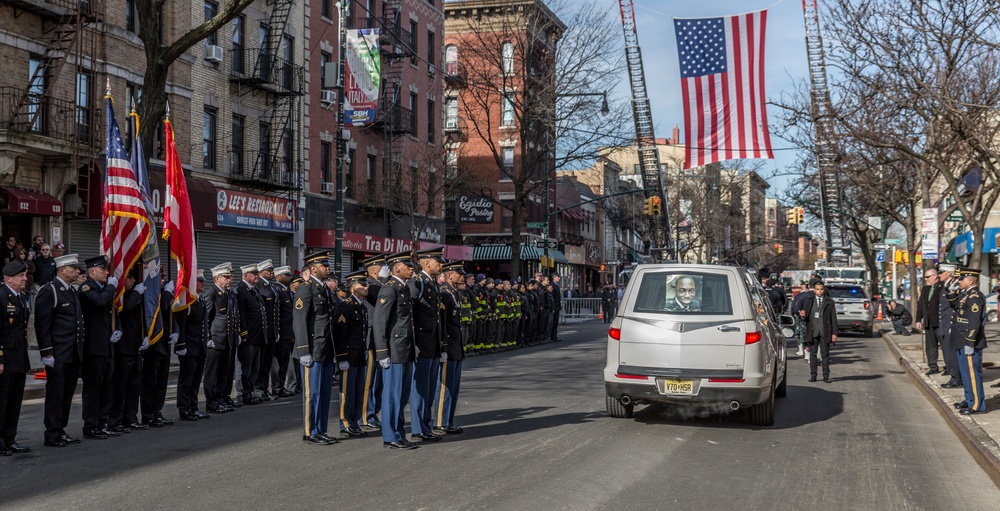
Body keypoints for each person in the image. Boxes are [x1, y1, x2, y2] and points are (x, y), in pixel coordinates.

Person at [35, 253, 84, 447]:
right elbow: (42, 324)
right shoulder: (50, 290)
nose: (77, 272)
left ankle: (60, 428)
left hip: (72, 352)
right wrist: (46, 352)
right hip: (57, 354)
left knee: (67, 394)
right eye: (74, 268)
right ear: (62, 270)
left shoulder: (71, 291)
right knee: (56, 394)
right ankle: (52, 432)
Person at [372, 251, 417, 450]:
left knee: (402, 395)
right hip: (394, 350)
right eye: (408, 266)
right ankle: (391, 435)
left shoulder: (403, 288)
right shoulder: (389, 289)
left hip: (405, 349)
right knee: (392, 395)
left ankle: (399, 432)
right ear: (396, 268)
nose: (412, 268)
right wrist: (382, 352)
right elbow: (380, 322)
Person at [293, 250, 339, 446]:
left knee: (325, 392)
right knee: (312, 393)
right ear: (313, 269)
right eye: (324, 265)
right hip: (312, 348)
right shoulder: (305, 289)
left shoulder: (325, 289)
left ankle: (321, 429)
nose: (327, 268)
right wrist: (303, 350)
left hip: (326, 348)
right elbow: (300, 321)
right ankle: (310, 431)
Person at [78, 256, 120, 439]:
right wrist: (112, 287)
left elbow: (112, 313)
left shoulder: (104, 289)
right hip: (93, 348)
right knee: (93, 390)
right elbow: (99, 302)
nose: (106, 273)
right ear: (92, 271)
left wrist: (119, 329)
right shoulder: (87, 288)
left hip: (107, 347)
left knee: (107, 388)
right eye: (103, 270)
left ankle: (103, 423)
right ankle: (91, 425)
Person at [408, 248, 444, 443]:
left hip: (432, 343)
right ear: (427, 263)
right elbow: (410, 314)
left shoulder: (431, 283)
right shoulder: (418, 283)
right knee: (420, 388)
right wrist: (412, 342)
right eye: (438, 261)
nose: (441, 265)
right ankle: (417, 427)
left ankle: (425, 425)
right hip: (422, 344)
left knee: (429, 388)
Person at [0, 260, 32, 455]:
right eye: (21, 276)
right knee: (2, 401)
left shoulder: (20, 297)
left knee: (14, 401)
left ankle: (10, 438)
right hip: (5, 359)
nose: (25, 279)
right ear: (9, 278)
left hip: (19, 357)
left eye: (25, 275)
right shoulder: (2, 296)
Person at [109, 268, 146, 433]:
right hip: (123, 347)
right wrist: (137, 294)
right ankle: (116, 419)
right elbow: (125, 309)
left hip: (136, 346)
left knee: (134, 386)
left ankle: (131, 417)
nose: (133, 282)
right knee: (120, 386)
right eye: (130, 278)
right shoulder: (121, 296)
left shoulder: (136, 294)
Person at [334, 271, 370, 438]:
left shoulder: (361, 306)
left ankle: (354, 420)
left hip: (359, 355)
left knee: (358, 390)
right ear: (354, 287)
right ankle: (346, 422)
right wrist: (341, 357)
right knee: (347, 391)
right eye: (363, 285)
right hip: (349, 355)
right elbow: (340, 332)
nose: (366, 287)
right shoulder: (345, 306)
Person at [434, 261, 466, 435]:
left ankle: (448, 420)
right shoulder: (445, 294)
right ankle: (440, 421)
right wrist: (443, 347)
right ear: (449, 275)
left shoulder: (454, 293)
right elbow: (443, 324)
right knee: (445, 386)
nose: (462, 276)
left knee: (453, 386)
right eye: (458, 273)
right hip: (449, 345)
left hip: (456, 346)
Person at [203, 263, 240, 414]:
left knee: (224, 372)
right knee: (213, 373)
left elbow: (233, 316)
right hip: (216, 340)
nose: (229, 280)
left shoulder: (229, 294)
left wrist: (236, 333)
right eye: (226, 277)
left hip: (228, 339)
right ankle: (212, 402)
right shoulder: (211, 294)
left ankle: (221, 398)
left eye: (229, 277)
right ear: (217, 278)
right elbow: (206, 319)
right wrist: (208, 338)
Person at [176, 270, 210, 421]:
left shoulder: (200, 300)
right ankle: (184, 409)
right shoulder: (186, 301)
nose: (203, 283)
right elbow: (181, 324)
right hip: (189, 347)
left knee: (196, 380)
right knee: (186, 380)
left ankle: (193, 406)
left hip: (199, 347)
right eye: (200, 281)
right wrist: (181, 344)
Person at [953, 268, 987, 415]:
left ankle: (977, 405)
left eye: (962, 279)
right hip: (961, 339)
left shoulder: (974, 297)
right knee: (966, 374)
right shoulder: (965, 295)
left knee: (973, 374)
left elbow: (974, 322)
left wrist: (970, 342)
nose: (959, 281)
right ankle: (969, 399)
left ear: (971, 280)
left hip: (969, 340)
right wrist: (951, 292)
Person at [360, 254, 386, 430]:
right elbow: (378, 298)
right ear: (375, 270)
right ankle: (366, 414)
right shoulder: (370, 285)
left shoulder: (380, 284)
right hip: (370, 338)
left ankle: (373, 411)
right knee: (369, 380)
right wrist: (383, 280)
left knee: (378, 381)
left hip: (378, 338)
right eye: (384, 267)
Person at [236, 263, 266, 406]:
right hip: (248, 336)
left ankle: (250, 391)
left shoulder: (253, 290)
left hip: (257, 335)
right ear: (245, 275)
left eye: (257, 274)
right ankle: (244, 393)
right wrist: (243, 333)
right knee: (246, 368)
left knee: (255, 367)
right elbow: (241, 314)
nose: (256, 276)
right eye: (254, 274)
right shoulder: (241, 290)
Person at [253, 260, 280, 400]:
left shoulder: (272, 287)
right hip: (263, 331)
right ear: (261, 271)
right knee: (261, 362)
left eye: (272, 270)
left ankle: (264, 388)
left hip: (272, 331)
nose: (271, 272)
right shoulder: (258, 286)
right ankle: (258, 389)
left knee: (267, 363)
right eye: (268, 270)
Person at [802, 280, 838, 382]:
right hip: (813, 331)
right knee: (813, 354)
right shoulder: (809, 300)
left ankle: (826, 375)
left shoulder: (829, 302)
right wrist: (803, 315)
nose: (819, 291)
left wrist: (834, 333)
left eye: (821, 289)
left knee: (825, 354)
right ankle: (813, 375)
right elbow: (805, 316)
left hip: (825, 331)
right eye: (817, 289)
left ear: (824, 289)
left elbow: (833, 318)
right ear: (814, 290)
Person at [269, 266, 296, 398]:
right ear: (278, 276)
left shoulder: (286, 291)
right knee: (278, 363)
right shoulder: (277, 291)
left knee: (284, 362)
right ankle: (277, 387)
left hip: (288, 333)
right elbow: (276, 314)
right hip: (281, 333)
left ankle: (281, 386)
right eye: (286, 275)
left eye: (289, 275)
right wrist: (277, 331)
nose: (289, 277)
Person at [915, 268, 944, 375]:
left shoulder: (942, 287)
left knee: (944, 345)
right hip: (928, 322)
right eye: (925, 277)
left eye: (928, 277)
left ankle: (950, 367)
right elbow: (921, 305)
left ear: (935, 276)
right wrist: (918, 319)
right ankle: (932, 366)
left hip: (940, 321)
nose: (926, 279)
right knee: (930, 346)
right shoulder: (925, 289)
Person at [938, 265, 963, 388]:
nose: (939, 275)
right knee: (947, 352)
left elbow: (955, 306)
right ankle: (954, 375)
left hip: (951, 323)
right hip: (945, 323)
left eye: (941, 272)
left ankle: (956, 378)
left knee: (951, 352)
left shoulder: (954, 286)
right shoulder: (946, 286)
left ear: (948, 273)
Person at [791, 281, 814, 357]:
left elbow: (794, 307)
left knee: (801, 334)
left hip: (802, 318)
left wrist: (794, 314)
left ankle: (802, 350)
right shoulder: (822, 296)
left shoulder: (800, 296)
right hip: (816, 320)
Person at [550, 274, 562, 341]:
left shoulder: (556, 285)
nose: (559, 278)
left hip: (557, 306)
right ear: (554, 277)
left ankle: (554, 335)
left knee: (556, 322)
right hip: (555, 306)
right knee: (553, 322)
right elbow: (553, 297)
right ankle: (552, 336)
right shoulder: (552, 285)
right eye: (558, 277)